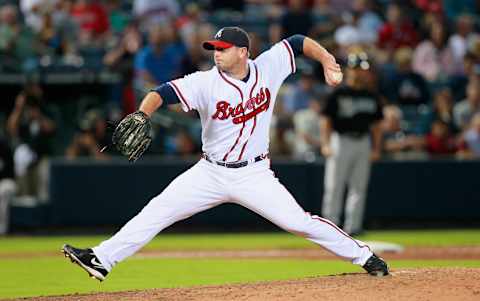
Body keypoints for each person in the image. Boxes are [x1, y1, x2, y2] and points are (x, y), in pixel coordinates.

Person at [62, 27, 388, 281]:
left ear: (243, 52)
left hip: (254, 174)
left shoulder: (268, 67)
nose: (216, 54)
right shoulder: (204, 82)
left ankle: (364, 256)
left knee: (300, 223)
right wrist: (143, 114)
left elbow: (298, 41)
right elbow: (159, 93)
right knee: (157, 210)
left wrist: (328, 60)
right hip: (210, 172)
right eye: (214, 49)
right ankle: (101, 259)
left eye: (223, 49)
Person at [320, 51, 383, 236]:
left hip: (363, 141)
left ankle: (353, 226)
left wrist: (376, 147)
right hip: (341, 140)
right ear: (349, 70)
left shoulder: (371, 95)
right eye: (357, 69)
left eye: (363, 69)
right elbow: (326, 120)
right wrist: (325, 143)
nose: (361, 73)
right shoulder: (339, 93)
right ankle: (330, 228)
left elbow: (377, 125)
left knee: (359, 186)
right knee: (334, 186)